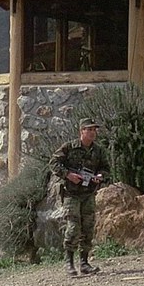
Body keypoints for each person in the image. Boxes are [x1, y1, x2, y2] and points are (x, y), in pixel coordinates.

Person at [49, 117, 110, 276]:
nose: (92, 132)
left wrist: (100, 176)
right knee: (73, 227)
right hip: (71, 193)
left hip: (88, 193)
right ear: (81, 131)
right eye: (89, 129)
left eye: (94, 130)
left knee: (88, 228)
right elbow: (53, 163)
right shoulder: (69, 147)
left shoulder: (98, 150)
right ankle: (69, 262)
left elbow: (105, 168)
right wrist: (68, 175)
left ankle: (84, 263)